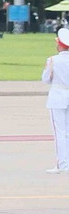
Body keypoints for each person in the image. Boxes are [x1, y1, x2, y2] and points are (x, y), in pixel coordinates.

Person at [43, 28, 69, 173]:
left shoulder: (53, 60)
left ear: (60, 45)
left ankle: (62, 164)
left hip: (58, 97)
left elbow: (46, 79)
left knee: (59, 132)